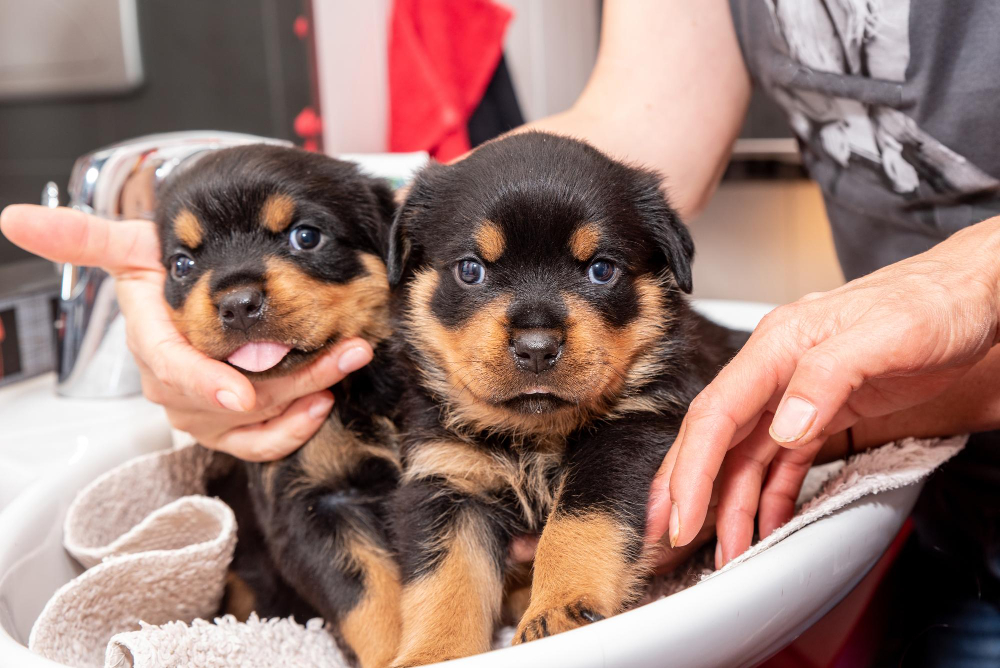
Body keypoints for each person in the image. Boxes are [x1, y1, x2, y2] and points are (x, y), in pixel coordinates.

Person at [3, 1, 999, 662]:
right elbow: (633, 123)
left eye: (599, 272)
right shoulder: (427, 378)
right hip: (956, 527)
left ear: (664, 275)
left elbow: (624, 451)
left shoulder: (645, 373)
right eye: (472, 273)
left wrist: (976, 276)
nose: (533, 335)